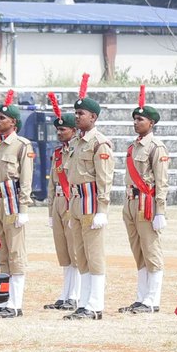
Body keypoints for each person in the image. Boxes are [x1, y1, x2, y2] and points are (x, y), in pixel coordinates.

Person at [63, 75, 113, 320]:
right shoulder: (76, 142)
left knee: (94, 255)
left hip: (92, 201)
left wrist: (102, 209)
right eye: (76, 112)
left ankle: (95, 304)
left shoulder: (99, 143)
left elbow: (104, 178)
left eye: (81, 113)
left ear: (93, 117)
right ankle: (83, 303)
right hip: (76, 202)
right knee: (80, 255)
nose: (77, 116)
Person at [120, 86, 170, 315]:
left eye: (140, 119)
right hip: (131, 203)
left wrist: (161, 211)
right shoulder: (132, 147)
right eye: (134, 119)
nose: (135, 123)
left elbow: (161, 181)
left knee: (151, 250)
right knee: (138, 251)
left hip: (147, 204)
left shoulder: (156, 147)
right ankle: (141, 297)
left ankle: (153, 299)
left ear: (151, 123)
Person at [0, 91, 34, 318]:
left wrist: (23, 208)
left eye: (2, 118)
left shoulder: (22, 145)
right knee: (0, 251)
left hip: (12, 201)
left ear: (13, 122)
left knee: (15, 252)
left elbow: (25, 179)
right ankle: (3, 300)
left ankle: (15, 303)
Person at [43, 93, 81, 311]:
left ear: (73, 131)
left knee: (75, 250)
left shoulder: (76, 151)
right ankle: (65, 293)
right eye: (57, 130)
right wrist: (50, 212)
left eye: (63, 129)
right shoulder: (58, 153)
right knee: (63, 251)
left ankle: (74, 295)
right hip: (58, 201)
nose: (59, 133)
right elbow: (51, 184)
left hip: (71, 201)